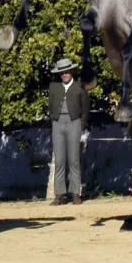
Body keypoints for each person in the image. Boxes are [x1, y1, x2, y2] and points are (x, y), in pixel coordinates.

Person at [48, 57, 90, 205]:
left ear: (70, 71)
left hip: (74, 122)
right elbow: (51, 105)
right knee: (59, 160)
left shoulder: (79, 87)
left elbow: (85, 109)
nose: (64, 75)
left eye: (66, 72)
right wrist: (54, 119)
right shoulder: (54, 87)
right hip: (58, 123)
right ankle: (59, 194)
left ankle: (75, 193)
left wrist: (81, 124)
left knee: (73, 159)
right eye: (61, 73)